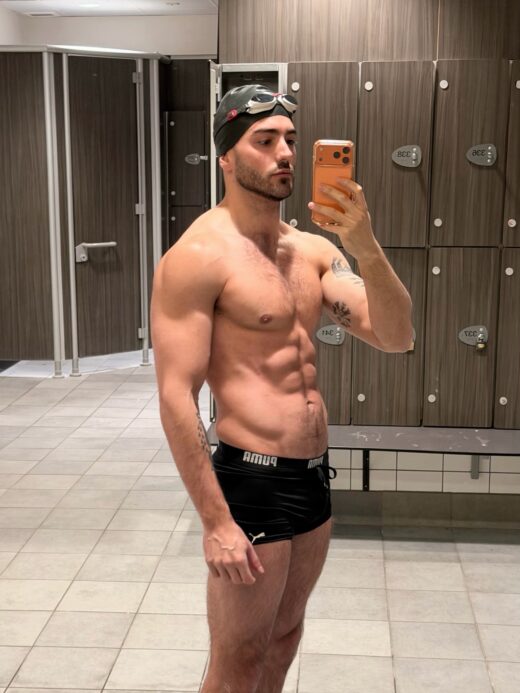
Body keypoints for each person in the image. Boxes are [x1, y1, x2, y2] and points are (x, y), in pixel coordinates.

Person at [151, 84, 413, 693]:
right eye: (264, 141)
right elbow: (175, 395)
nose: (285, 153)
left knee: (285, 637)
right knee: (238, 660)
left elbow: (397, 336)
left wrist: (365, 247)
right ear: (226, 156)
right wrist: (216, 521)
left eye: (290, 140)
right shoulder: (198, 256)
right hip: (251, 481)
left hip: (312, 477)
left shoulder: (314, 252)